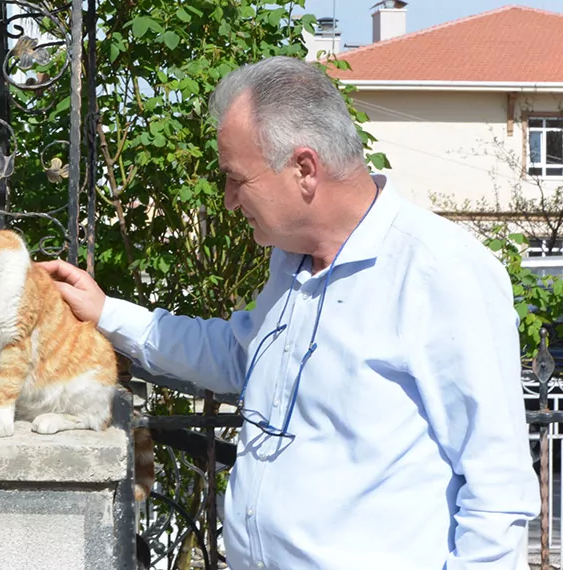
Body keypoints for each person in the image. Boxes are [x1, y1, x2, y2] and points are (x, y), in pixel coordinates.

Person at [42, 56, 539, 568]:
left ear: (304, 169)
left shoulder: (440, 271)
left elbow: (496, 488)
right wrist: (106, 312)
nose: (230, 200)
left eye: (236, 178)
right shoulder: (291, 259)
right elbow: (241, 357)